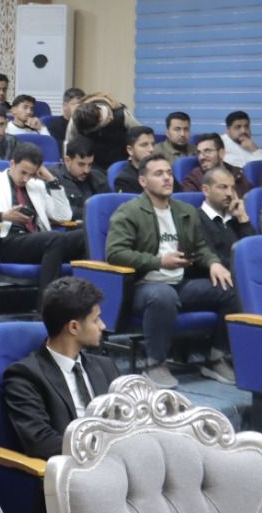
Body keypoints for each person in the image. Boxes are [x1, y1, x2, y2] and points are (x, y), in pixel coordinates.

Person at [105, 156, 240, 388]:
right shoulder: (128, 212)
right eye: (158, 174)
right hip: (142, 287)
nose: (167, 178)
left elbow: (200, 246)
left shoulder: (184, 211)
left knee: (230, 288)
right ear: (143, 181)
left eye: (169, 172)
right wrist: (159, 262)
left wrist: (213, 263)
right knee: (163, 295)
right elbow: (115, 254)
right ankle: (155, 363)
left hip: (180, 283)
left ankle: (216, 356)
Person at [0, 278, 118, 459]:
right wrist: (97, 451)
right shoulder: (25, 376)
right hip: (72, 467)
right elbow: (41, 442)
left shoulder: (106, 367)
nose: (103, 326)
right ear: (74, 327)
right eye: (95, 320)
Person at [0, 141, 83, 288]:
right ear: (12, 164)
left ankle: (80, 297)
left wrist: (52, 180)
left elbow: (64, 216)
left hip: (37, 241)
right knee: (55, 238)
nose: (26, 179)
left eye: (31, 174)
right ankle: (48, 300)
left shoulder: (37, 185)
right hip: (8, 241)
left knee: (83, 235)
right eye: (23, 172)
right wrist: (3, 216)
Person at [67, 92, 135, 176]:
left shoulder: (122, 115)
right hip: (90, 165)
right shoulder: (77, 118)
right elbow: (70, 144)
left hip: (121, 163)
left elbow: (139, 136)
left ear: (100, 118)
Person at [198, 165, 253, 268]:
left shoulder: (236, 218)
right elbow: (211, 259)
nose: (229, 193)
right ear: (206, 190)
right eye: (223, 187)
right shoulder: (196, 219)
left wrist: (243, 218)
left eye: (232, 188)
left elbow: (254, 250)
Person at [182, 132, 252, 195]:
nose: (201, 157)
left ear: (221, 153)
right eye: (199, 153)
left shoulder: (238, 174)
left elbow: (249, 200)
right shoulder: (193, 179)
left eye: (207, 151)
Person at [56, 137, 107, 222]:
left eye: (90, 165)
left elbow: (108, 207)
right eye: (81, 165)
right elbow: (62, 211)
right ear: (67, 160)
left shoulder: (98, 177)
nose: (86, 171)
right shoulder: (54, 178)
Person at [112, 125, 158, 192]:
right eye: (144, 145)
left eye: (153, 144)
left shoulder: (164, 172)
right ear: (130, 150)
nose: (151, 149)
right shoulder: (125, 180)